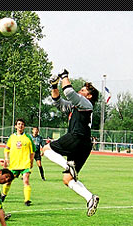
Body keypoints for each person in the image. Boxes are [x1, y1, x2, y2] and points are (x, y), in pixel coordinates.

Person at [40, 69, 100, 216]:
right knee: (67, 179)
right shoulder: (76, 106)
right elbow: (59, 102)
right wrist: (54, 86)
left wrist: (64, 75)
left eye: (83, 90)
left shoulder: (86, 103)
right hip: (85, 145)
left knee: (46, 149)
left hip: (76, 137)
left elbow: (69, 92)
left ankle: (67, 165)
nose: (80, 90)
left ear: (89, 95)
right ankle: (90, 197)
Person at [3, 119, 36, 207]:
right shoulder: (12, 137)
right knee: (8, 181)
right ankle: (3, 194)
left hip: (25, 164)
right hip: (14, 164)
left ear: (24, 127)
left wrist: (31, 162)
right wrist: (6, 159)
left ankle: (27, 200)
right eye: (19, 124)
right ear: (15, 126)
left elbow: (32, 152)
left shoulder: (28, 138)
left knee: (26, 180)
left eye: (22, 124)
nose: (20, 126)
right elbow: (6, 149)